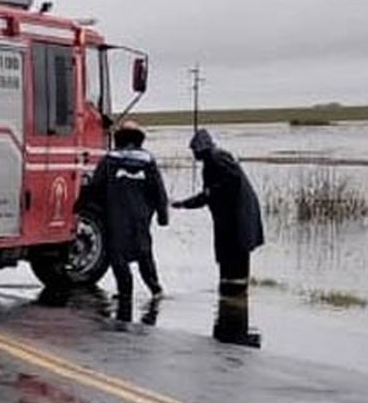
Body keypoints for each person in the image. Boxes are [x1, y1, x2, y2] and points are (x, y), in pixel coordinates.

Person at [172, 128, 265, 347]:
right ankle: (232, 304)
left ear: (201, 149)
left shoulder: (218, 158)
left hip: (237, 223)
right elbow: (209, 195)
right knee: (229, 263)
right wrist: (186, 203)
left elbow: (224, 186)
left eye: (195, 151)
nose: (194, 155)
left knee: (235, 264)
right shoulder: (214, 160)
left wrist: (207, 194)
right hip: (231, 224)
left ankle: (234, 308)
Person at [83, 120, 170, 323]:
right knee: (144, 254)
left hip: (116, 217)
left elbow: (95, 187)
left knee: (118, 258)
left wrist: (81, 206)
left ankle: (125, 293)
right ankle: (155, 289)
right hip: (141, 218)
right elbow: (159, 191)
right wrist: (162, 216)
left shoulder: (109, 160)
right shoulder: (148, 161)